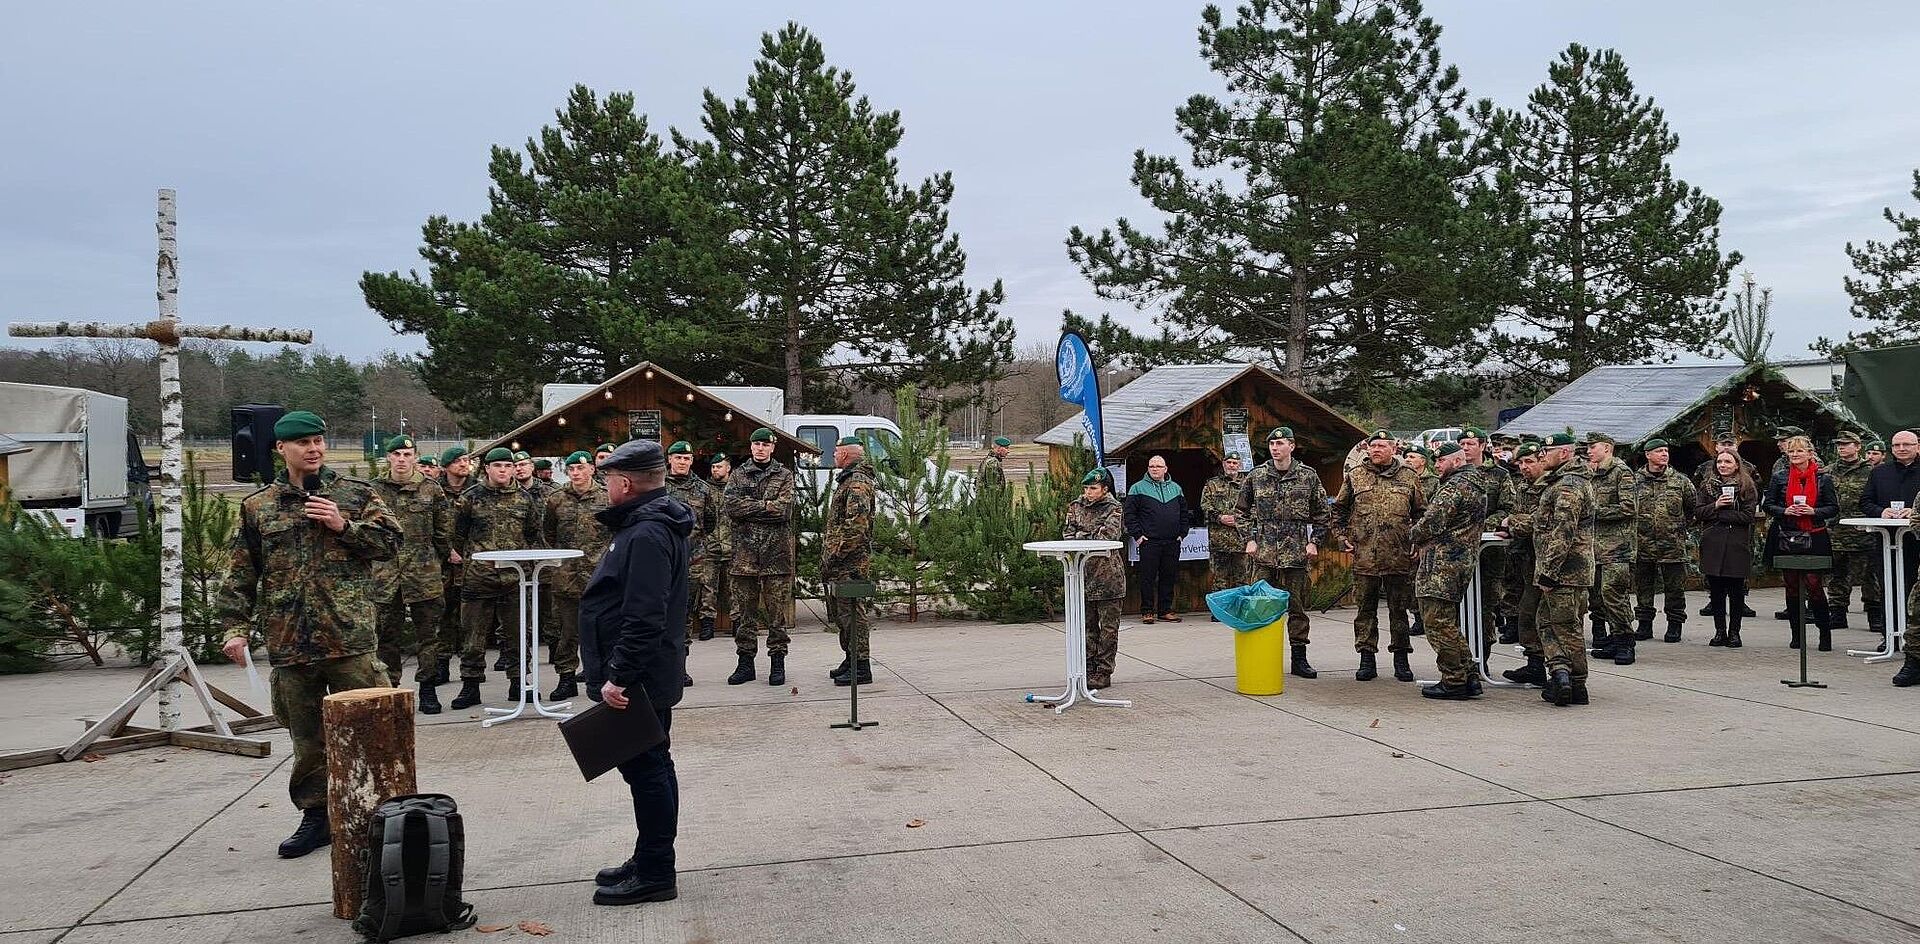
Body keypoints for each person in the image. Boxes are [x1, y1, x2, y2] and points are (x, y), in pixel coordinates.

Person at [216, 410, 401, 858]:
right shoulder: (259, 505)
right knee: (307, 739)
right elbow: (241, 572)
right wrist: (236, 628)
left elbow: (391, 543)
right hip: (291, 642)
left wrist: (343, 526)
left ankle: (382, 814)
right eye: (303, 442)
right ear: (281, 448)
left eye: (318, 440)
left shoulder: (355, 494)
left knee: (370, 730)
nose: (314, 449)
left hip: (348, 638)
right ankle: (318, 816)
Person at [578, 439, 691, 908]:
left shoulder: (646, 533)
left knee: (648, 771)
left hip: (638, 676)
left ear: (625, 483)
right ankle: (649, 858)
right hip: (646, 670)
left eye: (607, 479)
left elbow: (644, 615)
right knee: (651, 766)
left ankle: (656, 872)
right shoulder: (648, 524)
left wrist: (619, 675)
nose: (605, 487)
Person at [450, 447, 544, 709]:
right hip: (479, 578)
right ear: (487, 469)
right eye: (497, 466)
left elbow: (532, 533)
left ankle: (519, 683)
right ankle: (470, 686)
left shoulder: (525, 499)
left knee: (518, 634)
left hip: (515, 578)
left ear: (513, 469)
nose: (503, 470)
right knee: (473, 637)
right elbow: (457, 535)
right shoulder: (470, 498)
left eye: (507, 465)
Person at [1235, 427, 1331, 678]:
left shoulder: (1308, 476)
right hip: (1264, 556)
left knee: (1297, 608)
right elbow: (1240, 512)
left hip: (1295, 555)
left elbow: (1323, 514)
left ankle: (1299, 659)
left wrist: (1314, 542)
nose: (1275, 448)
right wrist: (1249, 540)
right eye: (1271, 444)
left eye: (1280, 444)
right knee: (1259, 607)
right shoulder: (1257, 476)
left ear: (1291, 446)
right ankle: (1260, 655)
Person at [369, 435, 455, 711]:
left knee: (429, 636)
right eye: (396, 454)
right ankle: (390, 690)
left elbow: (443, 532)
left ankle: (428, 688)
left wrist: (440, 561)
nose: (402, 460)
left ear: (415, 457)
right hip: (385, 575)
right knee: (386, 637)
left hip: (423, 573)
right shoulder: (374, 490)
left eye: (407, 455)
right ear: (388, 457)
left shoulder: (431, 489)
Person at [1332, 430, 1425, 682]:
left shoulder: (1408, 476)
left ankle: (1401, 659)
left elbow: (1421, 512)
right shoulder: (1355, 476)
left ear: (1393, 449)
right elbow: (1338, 510)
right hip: (1365, 555)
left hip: (1398, 555)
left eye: (1382, 446)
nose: (1376, 450)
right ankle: (1366, 658)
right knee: (1365, 610)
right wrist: (1342, 537)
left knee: (1399, 610)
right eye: (1373, 446)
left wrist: (1417, 541)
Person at [1408, 442, 1490, 700]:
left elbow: (1431, 522)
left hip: (1442, 563)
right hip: (1460, 560)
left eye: (1441, 461)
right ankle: (1469, 676)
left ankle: (1454, 680)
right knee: (1447, 622)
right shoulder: (1477, 483)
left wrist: (1410, 535)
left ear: (1456, 461)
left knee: (1437, 623)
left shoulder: (1454, 486)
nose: (1437, 466)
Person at [723, 428, 796, 686]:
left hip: (776, 556)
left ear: (772, 447)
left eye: (765, 444)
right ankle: (746, 664)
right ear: (751, 446)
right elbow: (731, 506)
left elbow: (784, 510)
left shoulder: (784, 475)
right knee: (745, 615)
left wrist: (750, 508)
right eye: (757, 444)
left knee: (777, 615)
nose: (761, 448)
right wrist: (766, 506)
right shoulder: (738, 474)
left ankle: (777, 662)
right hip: (744, 557)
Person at [1532, 433, 1596, 707]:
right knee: (1547, 621)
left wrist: (1549, 571)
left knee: (1566, 626)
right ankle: (1560, 673)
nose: (1542, 456)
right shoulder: (1561, 482)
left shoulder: (1569, 485)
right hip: (1566, 570)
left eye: (1548, 452)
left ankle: (1576, 682)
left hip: (1566, 571)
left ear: (1565, 453)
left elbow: (1563, 531)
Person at [544, 451, 611, 700]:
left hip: (599, 575)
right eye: (571, 469)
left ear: (592, 469)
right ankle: (566, 678)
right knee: (567, 631)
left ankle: (603, 677)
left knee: (603, 630)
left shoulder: (606, 497)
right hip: (566, 576)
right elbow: (548, 534)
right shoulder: (556, 499)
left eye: (581, 468)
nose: (576, 473)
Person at [1763, 435, 1839, 651]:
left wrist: (1813, 511)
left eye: (1799, 451)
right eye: (1791, 451)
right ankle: (1797, 635)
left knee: (1814, 585)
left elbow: (1833, 508)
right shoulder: (1780, 477)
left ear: (1809, 454)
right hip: (1788, 536)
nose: (1795, 455)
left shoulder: (1823, 478)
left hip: (1815, 535)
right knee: (1792, 586)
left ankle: (1825, 634)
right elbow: (1768, 505)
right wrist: (1785, 510)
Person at [1861, 429, 1920, 685]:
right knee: (1889, 587)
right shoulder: (1879, 473)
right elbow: (1866, 502)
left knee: (1913, 593)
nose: (1902, 448)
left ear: (1918, 447)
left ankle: (1911, 644)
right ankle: (1890, 635)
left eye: (1907, 444)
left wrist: (1913, 513)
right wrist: (1881, 511)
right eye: (1897, 444)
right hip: (1888, 540)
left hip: (1915, 541)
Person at [823, 436, 878, 686]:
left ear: (845, 454)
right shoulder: (849, 480)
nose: (833, 455)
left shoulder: (857, 483)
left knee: (853, 613)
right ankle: (851, 658)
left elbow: (856, 526)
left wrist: (835, 552)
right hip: (843, 562)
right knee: (844, 613)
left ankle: (861, 666)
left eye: (836, 451)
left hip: (850, 563)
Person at [1064, 468, 1126, 690]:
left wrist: (1082, 536)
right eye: (1086, 488)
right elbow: (1067, 536)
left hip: (1108, 577)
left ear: (1104, 489)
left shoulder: (1114, 508)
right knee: (1087, 627)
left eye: (1093, 488)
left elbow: (1107, 537)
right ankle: (1088, 668)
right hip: (1083, 575)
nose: (1088, 493)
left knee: (1108, 629)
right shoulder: (1076, 506)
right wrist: (1087, 536)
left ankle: (1103, 671)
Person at [1583, 433, 1640, 665]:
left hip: (1618, 547)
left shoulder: (1621, 472)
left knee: (1614, 594)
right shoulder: (1591, 473)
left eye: (1592, 447)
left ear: (1607, 448)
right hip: (1595, 547)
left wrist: (1593, 512)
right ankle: (1614, 639)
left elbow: (1629, 508)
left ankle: (1626, 642)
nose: (1588, 451)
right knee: (1598, 598)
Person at [1634, 439, 1696, 644]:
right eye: (1659, 451)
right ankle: (1644, 624)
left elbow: (1692, 509)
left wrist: (1678, 529)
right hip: (1642, 544)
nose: (1664, 454)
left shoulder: (1680, 481)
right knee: (1643, 587)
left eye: (1666, 450)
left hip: (1672, 545)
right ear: (1648, 455)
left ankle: (1675, 625)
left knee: (1675, 588)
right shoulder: (1634, 481)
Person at [1696, 452, 1758, 648]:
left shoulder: (1747, 486)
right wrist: (1716, 505)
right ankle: (1719, 631)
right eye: (1720, 461)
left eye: (1727, 461)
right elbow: (1698, 512)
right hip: (1713, 543)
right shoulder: (1706, 486)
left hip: (1736, 544)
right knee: (1716, 591)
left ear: (1737, 464)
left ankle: (1734, 632)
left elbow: (1748, 516)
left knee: (1736, 592)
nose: (1723, 465)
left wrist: (1721, 514)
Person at [1500, 443, 1549, 683]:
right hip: (1525, 558)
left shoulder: (1552, 487)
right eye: (1520, 463)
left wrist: (1512, 522)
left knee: (1546, 617)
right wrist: (1511, 524)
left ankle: (1561, 671)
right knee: (1527, 612)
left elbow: (1539, 522)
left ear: (1542, 461)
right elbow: (1516, 515)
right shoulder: (1522, 486)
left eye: (1529, 462)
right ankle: (1535, 665)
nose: (1524, 467)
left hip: (1548, 561)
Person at [1825, 431, 1881, 634]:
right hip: (1836, 531)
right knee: (1836, 574)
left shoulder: (1872, 472)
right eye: (1839, 444)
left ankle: (1875, 615)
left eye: (1846, 444)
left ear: (1858, 447)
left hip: (1863, 532)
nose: (1841, 447)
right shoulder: (1828, 471)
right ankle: (1837, 613)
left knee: (1869, 575)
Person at [663, 442, 718, 645]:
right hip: (662, 558)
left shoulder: (703, 489)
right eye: (678, 457)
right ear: (669, 459)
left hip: (692, 559)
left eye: (686, 458)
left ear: (692, 461)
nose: (682, 462)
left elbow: (710, 522)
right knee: (660, 608)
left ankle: (681, 656)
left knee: (684, 610)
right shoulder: (658, 486)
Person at [1124, 454, 1188, 623]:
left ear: (1165, 469)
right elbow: (1129, 514)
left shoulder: (1176, 488)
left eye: (1158, 466)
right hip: (1149, 541)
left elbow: (1184, 513)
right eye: (1151, 466)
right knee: (1147, 577)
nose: (1155, 469)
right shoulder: (1137, 488)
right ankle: (1147, 611)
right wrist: (1138, 535)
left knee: (1168, 576)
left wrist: (1182, 533)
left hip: (1172, 541)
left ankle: (1165, 610)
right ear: (1148, 469)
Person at [1200, 454, 1250, 616]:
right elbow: (1205, 506)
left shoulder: (1247, 484)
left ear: (1239, 465)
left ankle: (1242, 612)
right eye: (1229, 462)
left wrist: (1239, 520)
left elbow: (1256, 507)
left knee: (1242, 578)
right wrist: (1220, 517)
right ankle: (1219, 613)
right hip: (1219, 540)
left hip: (1241, 540)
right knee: (1219, 579)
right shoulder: (1212, 484)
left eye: (1235, 463)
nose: (1232, 465)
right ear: (1223, 464)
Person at [706, 455, 738, 639]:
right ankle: (707, 625)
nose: (715, 470)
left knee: (734, 588)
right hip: (709, 548)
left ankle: (737, 623)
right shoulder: (705, 489)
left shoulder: (736, 489)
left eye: (719, 466)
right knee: (708, 588)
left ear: (728, 468)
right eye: (713, 467)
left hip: (732, 547)